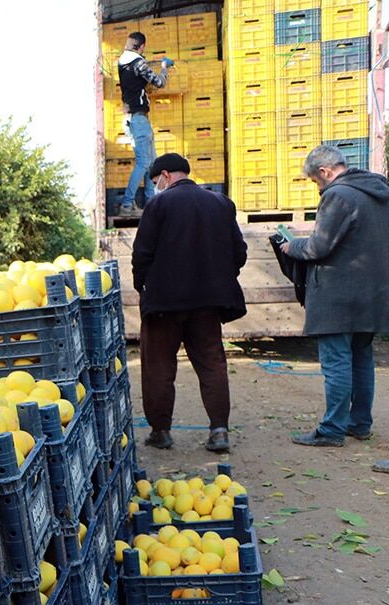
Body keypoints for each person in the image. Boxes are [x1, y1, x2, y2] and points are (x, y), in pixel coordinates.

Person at [132, 153, 247, 452]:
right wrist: (217, 279)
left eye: (156, 181)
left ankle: (161, 431)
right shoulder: (221, 203)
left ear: (166, 176)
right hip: (207, 304)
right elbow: (239, 253)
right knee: (212, 364)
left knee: (158, 367)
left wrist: (142, 287)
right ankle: (219, 431)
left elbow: (142, 254)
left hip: (163, 305)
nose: (156, 186)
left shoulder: (158, 204)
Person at [279, 145, 389, 447]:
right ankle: (359, 423)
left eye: (316, 181)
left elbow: (319, 247)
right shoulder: (378, 192)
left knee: (337, 361)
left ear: (325, 172)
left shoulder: (338, 195)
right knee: (362, 359)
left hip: (338, 296)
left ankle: (332, 430)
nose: (318, 187)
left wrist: (293, 246)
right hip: (373, 293)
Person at [117, 31, 173, 217]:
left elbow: (136, 80)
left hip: (134, 119)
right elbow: (158, 82)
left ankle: (151, 203)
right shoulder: (138, 63)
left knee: (153, 163)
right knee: (143, 163)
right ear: (141, 46)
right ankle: (126, 205)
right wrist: (164, 67)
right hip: (138, 119)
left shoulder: (122, 62)